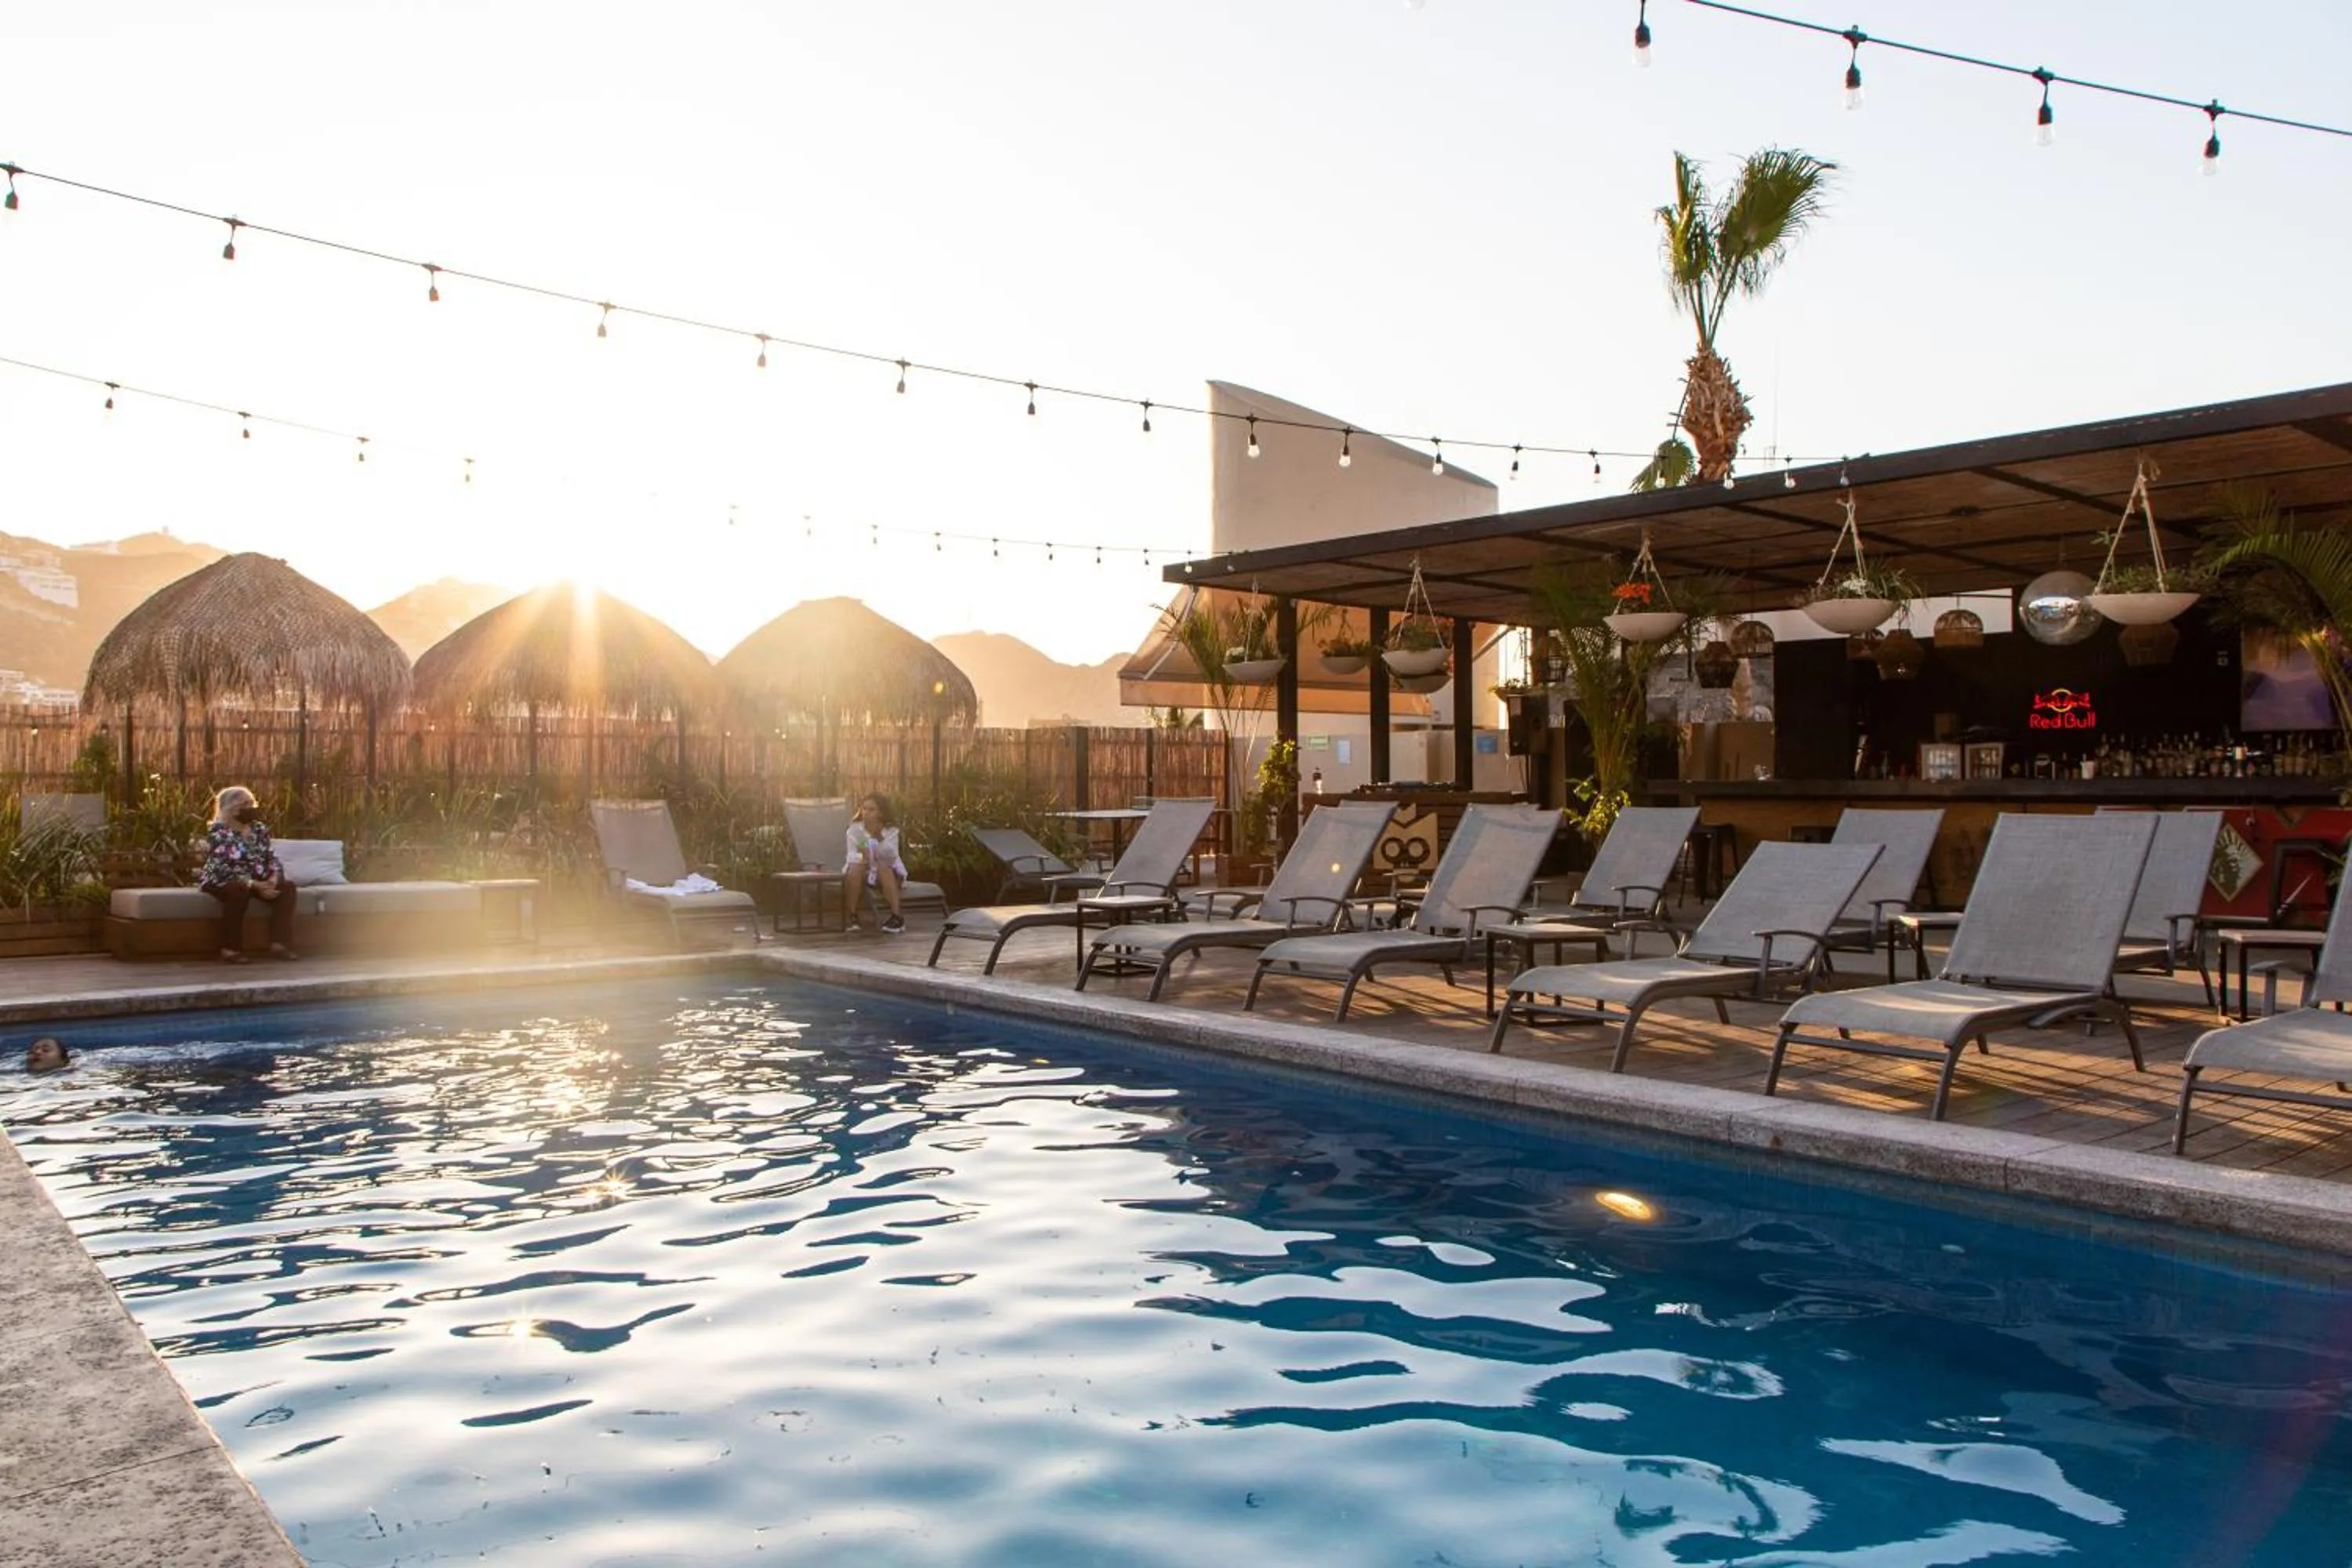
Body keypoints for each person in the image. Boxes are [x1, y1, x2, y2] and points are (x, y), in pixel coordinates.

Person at [198, 785, 298, 964]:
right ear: (229, 808)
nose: (249, 808)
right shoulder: (219, 832)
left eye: (251, 803)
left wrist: (273, 879)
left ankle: (279, 944)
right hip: (222, 880)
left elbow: (270, 857)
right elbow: (225, 867)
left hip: (257, 879)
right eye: (243, 804)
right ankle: (230, 949)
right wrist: (254, 885)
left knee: (288, 888)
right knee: (239, 891)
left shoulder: (259, 829)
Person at [843, 793, 908, 935]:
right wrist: (864, 858)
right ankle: (852, 916)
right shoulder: (855, 829)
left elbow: (891, 857)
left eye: (871, 810)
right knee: (856, 867)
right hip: (864, 869)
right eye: (864, 809)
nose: (866, 813)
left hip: (888, 871)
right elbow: (851, 855)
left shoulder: (890, 830)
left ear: (881, 813)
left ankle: (897, 917)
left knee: (884, 867)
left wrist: (879, 837)